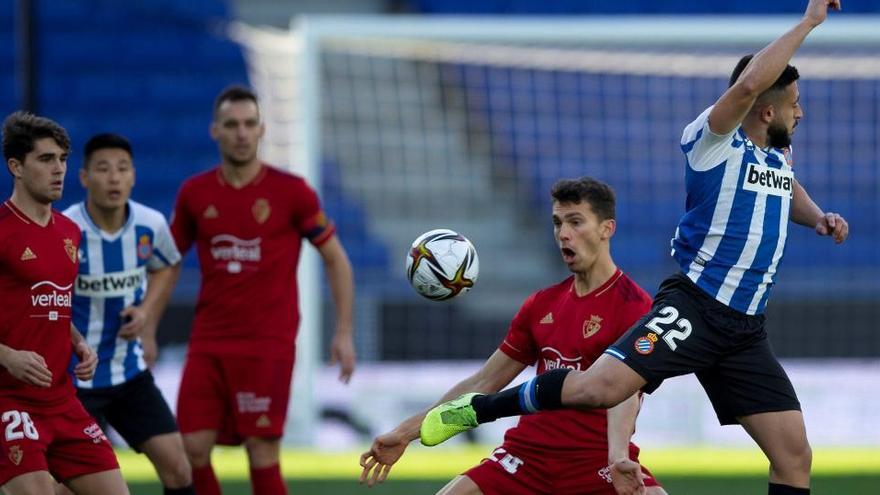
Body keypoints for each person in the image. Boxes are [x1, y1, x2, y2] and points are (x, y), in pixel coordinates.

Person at [420, 2, 849, 495]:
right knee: (598, 388)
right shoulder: (712, 141)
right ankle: (480, 409)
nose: (802, 111)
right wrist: (810, 22)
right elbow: (749, 86)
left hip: (744, 330)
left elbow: (785, 185)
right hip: (696, 309)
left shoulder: (778, 153)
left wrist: (817, 217)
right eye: (795, 102)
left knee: (794, 457)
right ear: (766, 111)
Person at [361, 178, 666, 495]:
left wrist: (617, 456)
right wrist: (405, 432)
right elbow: (482, 384)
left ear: (607, 228)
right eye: (557, 223)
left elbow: (624, 393)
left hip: (594, 461)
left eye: (576, 222)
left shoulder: (635, 306)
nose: (563, 234)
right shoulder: (542, 305)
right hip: (525, 458)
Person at [170, 85, 357, 495]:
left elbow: (336, 259)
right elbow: (168, 259)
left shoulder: (292, 192)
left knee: (261, 450)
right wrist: (147, 322)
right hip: (208, 340)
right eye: (232, 125)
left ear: (262, 130)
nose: (241, 133)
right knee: (190, 447)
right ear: (214, 131)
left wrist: (343, 331)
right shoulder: (194, 194)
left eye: (249, 124)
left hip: (266, 343)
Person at [0, 112, 128, 494]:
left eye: (62, 159)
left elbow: (50, 302)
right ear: (16, 167)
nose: (58, 169)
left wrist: (78, 343)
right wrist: (7, 355)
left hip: (61, 399)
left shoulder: (69, 232)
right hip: (8, 399)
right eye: (45, 159)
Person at [58, 133, 193, 495]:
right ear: (85, 178)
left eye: (122, 168)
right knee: (68, 487)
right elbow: (44, 299)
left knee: (179, 468)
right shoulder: (66, 231)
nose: (114, 178)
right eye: (103, 169)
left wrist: (147, 316)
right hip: (75, 382)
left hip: (128, 374)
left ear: (133, 175)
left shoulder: (151, 225)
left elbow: (169, 266)